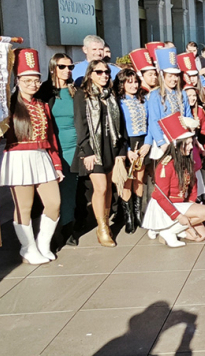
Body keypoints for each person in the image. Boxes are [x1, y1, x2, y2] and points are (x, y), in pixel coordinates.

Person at [3, 49, 64, 264]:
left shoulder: (43, 105)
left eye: (36, 80)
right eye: (27, 80)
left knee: (54, 202)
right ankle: (27, 248)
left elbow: (51, 139)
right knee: (24, 207)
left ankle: (43, 243)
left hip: (42, 158)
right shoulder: (8, 106)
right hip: (18, 159)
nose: (33, 84)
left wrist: (56, 165)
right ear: (17, 81)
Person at [72, 59, 128, 247]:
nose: (104, 75)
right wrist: (86, 151)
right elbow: (81, 125)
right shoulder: (82, 95)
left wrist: (121, 149)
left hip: (111, 146)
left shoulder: (111, 94)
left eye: (106, 72)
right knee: (101, 187)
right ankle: (102, 227)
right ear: (90, 74)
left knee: (109, 188)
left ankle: (105, 221)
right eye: (99, 72)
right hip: (93, 148)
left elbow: (120, 124)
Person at [142, 113, 205, 247]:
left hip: (181, 203)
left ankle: (169, 230)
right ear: (178, 145)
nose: (191, 147)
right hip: (166, 205)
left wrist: (191, 204)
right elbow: (161, 197)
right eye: (188, 144)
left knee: (200, 236)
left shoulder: (187, 160)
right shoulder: (166, 165)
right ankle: (169, 231)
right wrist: (178, 216)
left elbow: (193, 186)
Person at [35, 53, 80, 246]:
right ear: (53, 67)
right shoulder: (44, 91)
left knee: (70, 190)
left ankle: (68, 229)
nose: (67, 70)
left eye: (70, 67)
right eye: (62, 66)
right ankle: (50, 232)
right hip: (50, 148)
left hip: (72, 148)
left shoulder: (75, 91)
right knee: (51, 193)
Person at [115, 69, 150, 233]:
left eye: (135, 81)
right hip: (126, 143)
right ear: (122, 83)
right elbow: (118, 128)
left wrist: (148, 143)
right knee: (127, 180)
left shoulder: (144, 99)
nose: (134, 85)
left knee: (139, 178)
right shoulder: (118, 102)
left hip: (143, 142)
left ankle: (138, 214)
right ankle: (128, 217)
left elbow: (152, 122)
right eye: (129, 82)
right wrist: (127, 149)